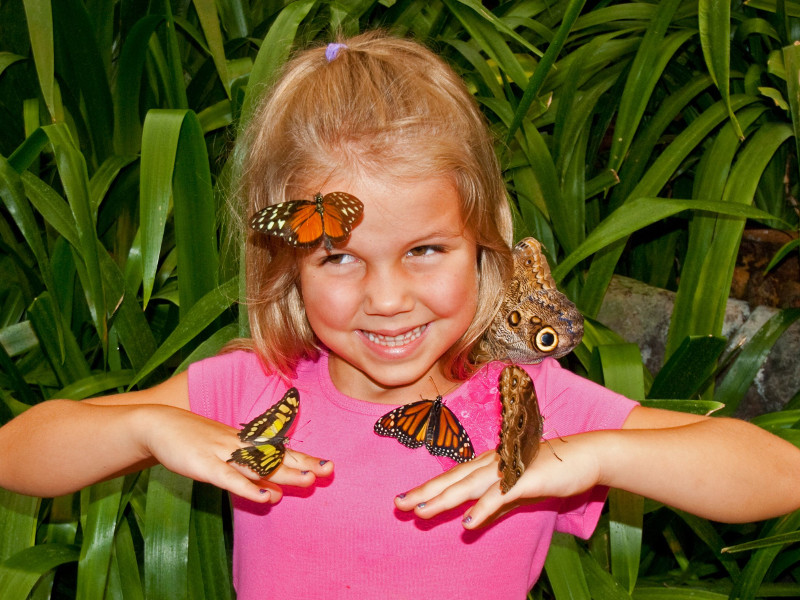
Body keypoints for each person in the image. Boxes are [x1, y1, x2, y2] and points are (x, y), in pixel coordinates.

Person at [1, 31, 799, 599]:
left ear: (484, 245)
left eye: (425, 251)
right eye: (339, 258)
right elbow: (17, 453)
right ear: (286, 263)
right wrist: (145, 428)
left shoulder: (524, 402)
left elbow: (778, 475)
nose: (386, 300)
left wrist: (591, 458)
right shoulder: (252, 390)